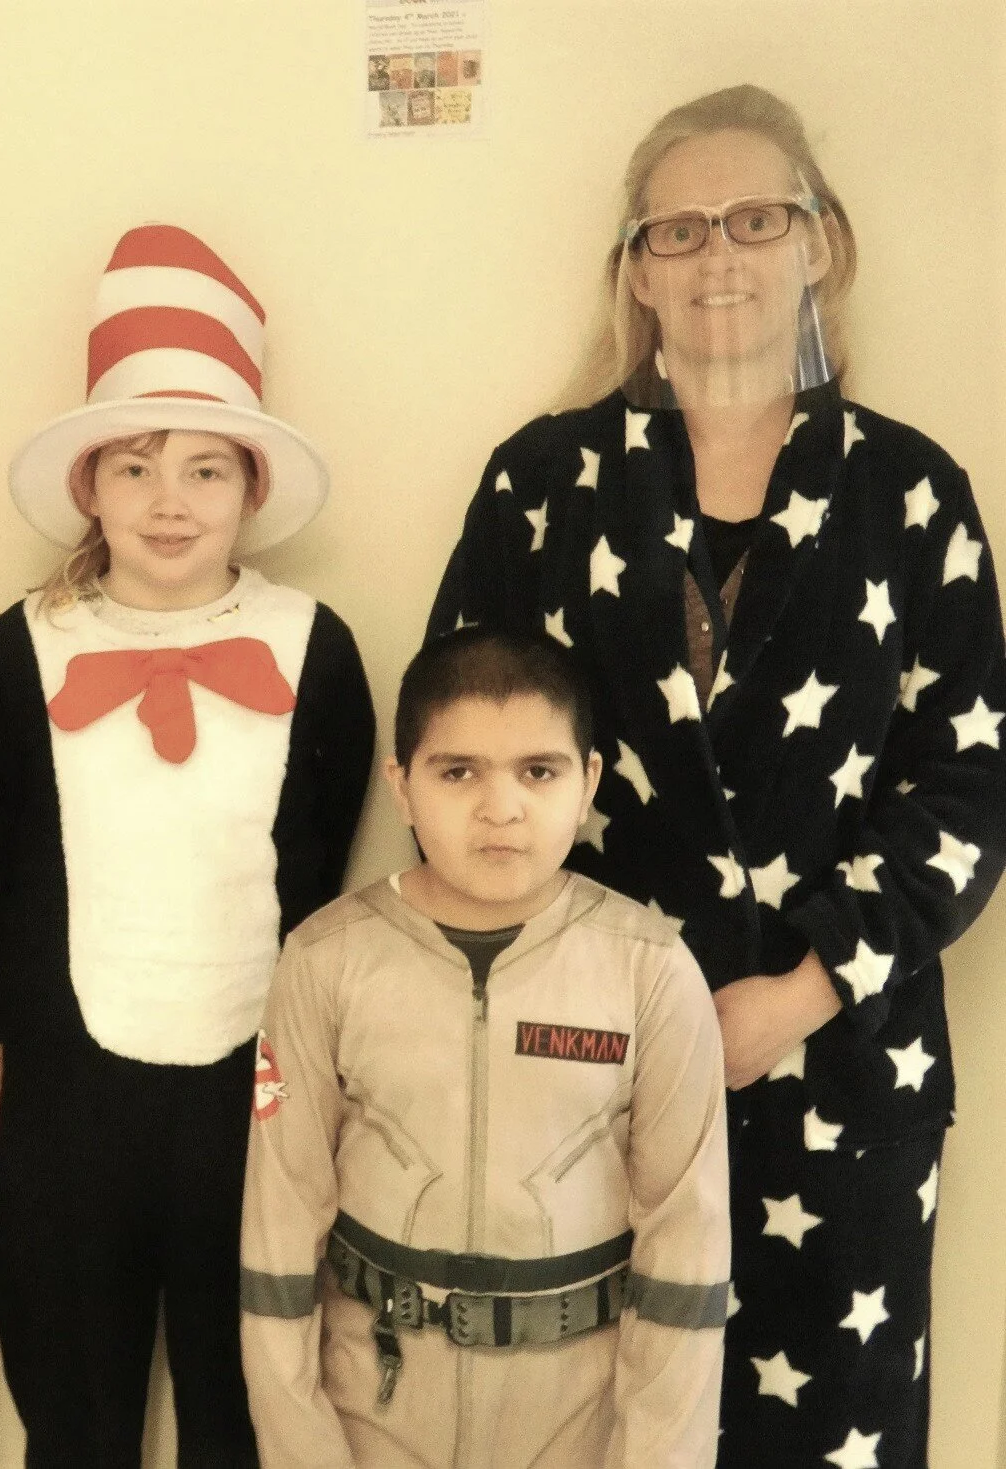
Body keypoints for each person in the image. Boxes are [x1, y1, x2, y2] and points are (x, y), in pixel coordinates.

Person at [428, 84, 1006, 1467]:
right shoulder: (541, 482)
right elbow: (468, 766)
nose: (716, 256)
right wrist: (583, 999)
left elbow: (967, 790)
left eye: (754, 219)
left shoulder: (909, 494)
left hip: (844, 1076)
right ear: (633, 269)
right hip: (584, 1077)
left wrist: (795, 992)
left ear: (820, 243)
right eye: (676, 231)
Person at [0, 223, 374, 1466]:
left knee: (243, 1385)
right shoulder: (23, 641)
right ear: (88, 488)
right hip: (66, 1074)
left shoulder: (316, 644)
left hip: (255, 1081)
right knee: (71, 1389)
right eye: (134, 468)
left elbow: (322, 872)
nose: (170, 501)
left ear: (251, 486)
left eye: (204, 469)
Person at [240, 628, 729, 1467]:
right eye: (456, 771)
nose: (499, 808)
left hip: (579, 1420)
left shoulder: (649, 969)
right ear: (400, 786)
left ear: (587, 785)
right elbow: (278, 1236)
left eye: (538, 771)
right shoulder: (324, 959)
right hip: (375, 1416)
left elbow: (685, 1253)